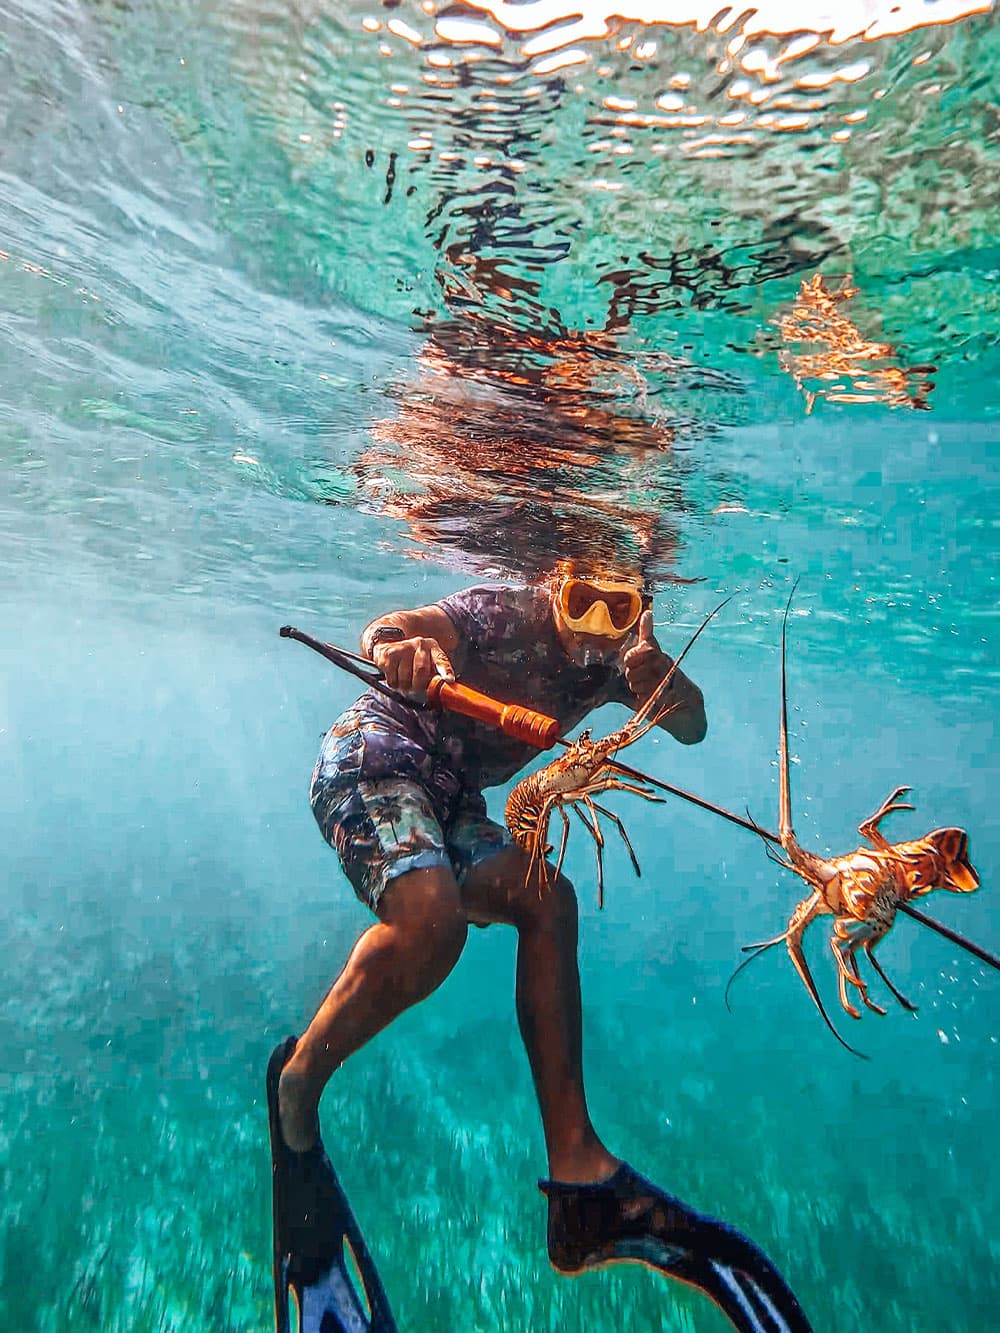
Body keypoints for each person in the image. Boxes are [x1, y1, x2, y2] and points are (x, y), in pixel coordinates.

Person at [268, 563, 813, 1333]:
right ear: (555, 583)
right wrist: (399, 647)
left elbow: (691, 725)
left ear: (639, 610)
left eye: (614, 608)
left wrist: (660, 678)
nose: (591, 623)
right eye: (580, 600)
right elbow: (405, 625)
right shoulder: (501, 611)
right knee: (433, 922)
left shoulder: (617, 662)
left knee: (546, 899)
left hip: (452, 798)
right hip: (375, 759)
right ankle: (295, 1089)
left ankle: (580, 1175)